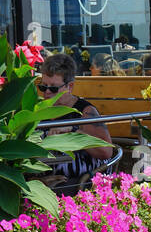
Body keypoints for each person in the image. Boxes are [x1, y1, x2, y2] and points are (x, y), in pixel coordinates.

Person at [36, 53, 114, 181]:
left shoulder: (85, 112)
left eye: (54, 88)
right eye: (43, 87)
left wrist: (73, 131)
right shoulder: (39, 109)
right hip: (42, 182)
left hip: (78, 183)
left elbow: (106, 152)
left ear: (70, 86)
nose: (47, 92)